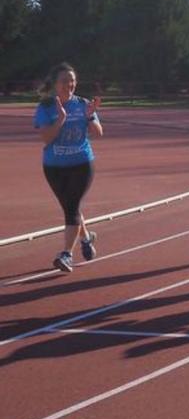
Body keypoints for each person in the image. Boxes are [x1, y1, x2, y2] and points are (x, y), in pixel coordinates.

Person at [34, 62, 102, 273]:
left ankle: (66, 254)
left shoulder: (83, 104)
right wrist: (60, 120)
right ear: (55, 84)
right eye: (64, 81)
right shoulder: (45, 107)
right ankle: (86, 238)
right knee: (70, 208)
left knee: (71, 207)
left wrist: (90, 116)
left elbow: (98, 133)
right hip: (54, 167)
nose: (69, 84)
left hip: (82, 163)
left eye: (72, 80)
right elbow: (46, 138)